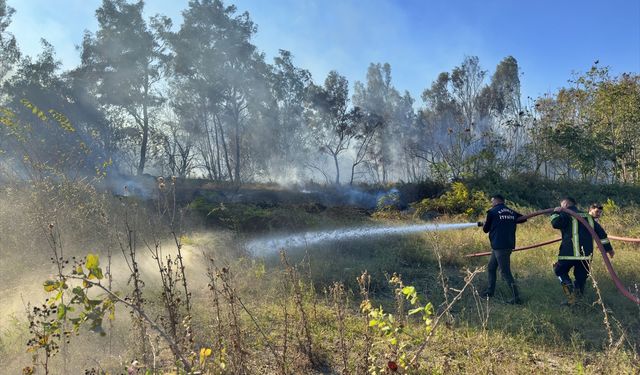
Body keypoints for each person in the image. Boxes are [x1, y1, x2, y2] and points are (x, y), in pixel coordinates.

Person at [551, 197, 614, 305]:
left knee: (559, 271)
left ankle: (570, 295)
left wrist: (556, 211)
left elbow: (555, 223)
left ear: (565, 204)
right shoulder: (589, 217)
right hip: (585, 255)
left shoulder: (565, 214)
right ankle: (578, 301)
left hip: (568, 254)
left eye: (561, 205)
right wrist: (609, 249)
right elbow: (601, 234)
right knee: (581, 278)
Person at [478, 194, 525, 304]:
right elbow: (523, 219)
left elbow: (485, 230)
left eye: (492, 201)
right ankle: (490, 292)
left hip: (499, 246)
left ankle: (516, 297)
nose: (491, 203)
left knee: (505, 272)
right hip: (505, 245)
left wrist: (486, 223)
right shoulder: (511, 212)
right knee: (491, 268)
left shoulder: (492, 212)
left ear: (495, 201)